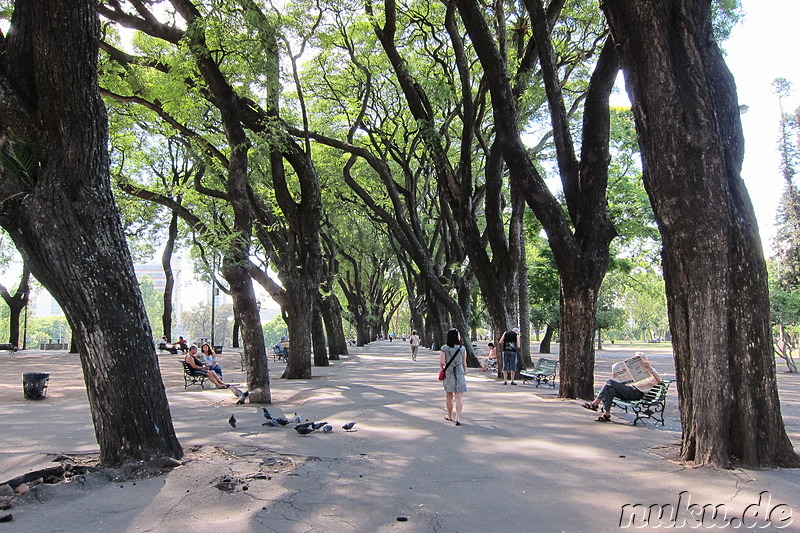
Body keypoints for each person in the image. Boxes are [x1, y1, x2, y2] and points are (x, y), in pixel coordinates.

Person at [581, 356, 662, 422]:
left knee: (609, 382)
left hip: (636, 393)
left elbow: (659, 381)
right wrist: (618, 375)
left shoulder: (652, 370)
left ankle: (595, 404)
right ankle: (606, 414)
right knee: (610, 390)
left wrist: (649, 368)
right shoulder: (635, 370)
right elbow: (625, 382)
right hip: (629, 389)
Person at [439, 328, 467, 426]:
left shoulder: (444, 348)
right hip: (459, 371)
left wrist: (444, 367)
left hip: (449, 372)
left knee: (449, 396)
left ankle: (450, 415)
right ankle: (458, 418)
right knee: (459, 397)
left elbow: (442, 363)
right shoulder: (462, 348)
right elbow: (464, 362)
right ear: (456, 337)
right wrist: (465, 370)